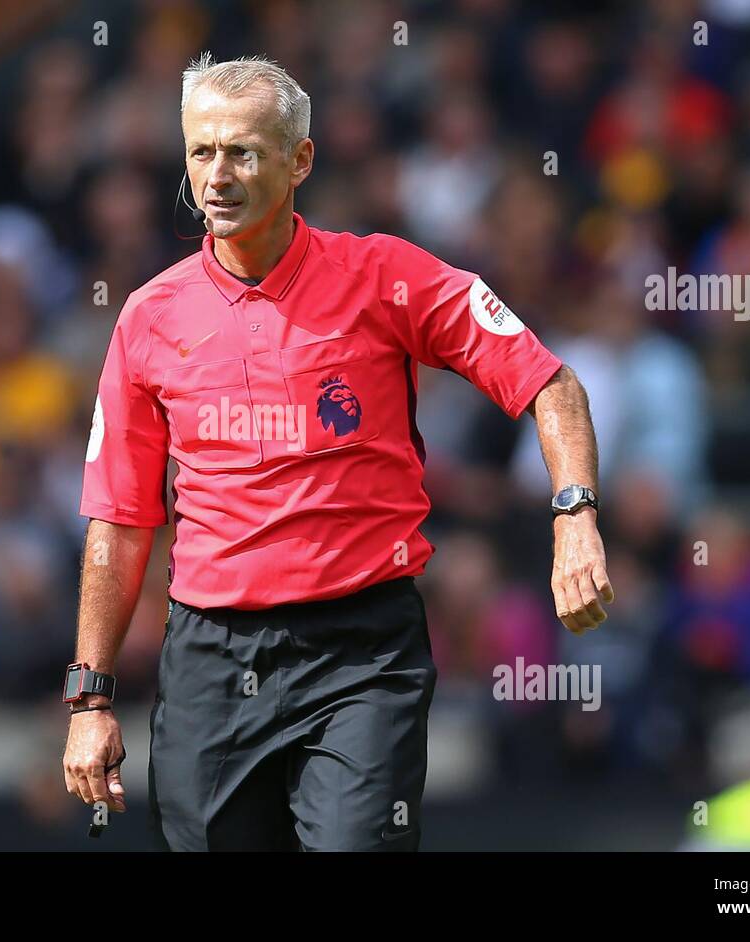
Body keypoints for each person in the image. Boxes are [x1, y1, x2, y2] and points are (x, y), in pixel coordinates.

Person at [63, 53, 614, 851]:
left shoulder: (387, 277)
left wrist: (574, 517)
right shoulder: (149, 318)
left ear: (301, 161)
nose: (216, 176)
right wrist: (90, 701)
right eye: (200, 151)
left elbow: (549, 383)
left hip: (361, 655)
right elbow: (117, 522)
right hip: (210, 664)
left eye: (243, 152)